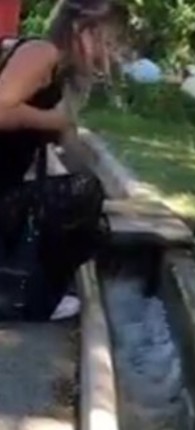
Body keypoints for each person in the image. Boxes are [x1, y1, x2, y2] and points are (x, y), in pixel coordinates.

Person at [0, 0, 126, 320]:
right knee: (83, 193)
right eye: (105, 41)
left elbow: (67, 145)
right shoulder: (42, 52)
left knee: (88, 207)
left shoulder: (62, 74)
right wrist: (53, 122)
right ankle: (34, 302)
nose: (106, 55)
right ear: (81, 30)